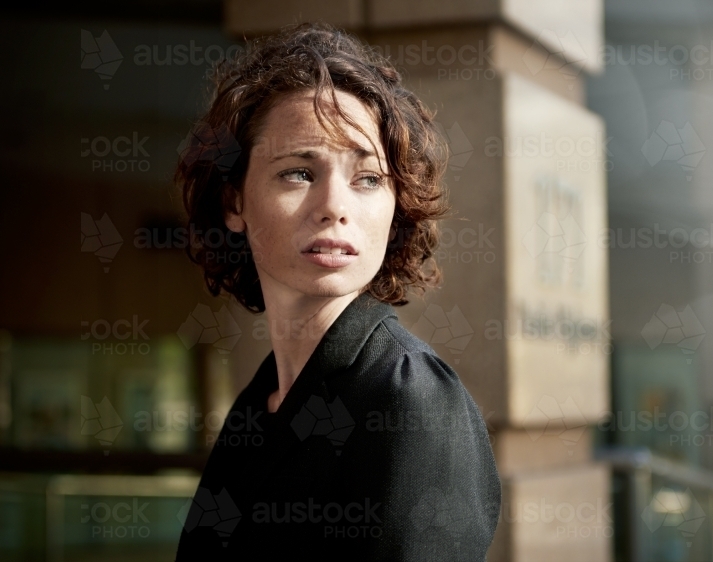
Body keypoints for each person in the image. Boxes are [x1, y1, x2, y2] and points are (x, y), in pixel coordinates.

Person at [173, 22, 501, 560]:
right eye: (299, 172)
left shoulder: (408, 397)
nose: (335, 205)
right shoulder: (260, 404)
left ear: (397, 206)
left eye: (368, 178)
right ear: (234, 204)